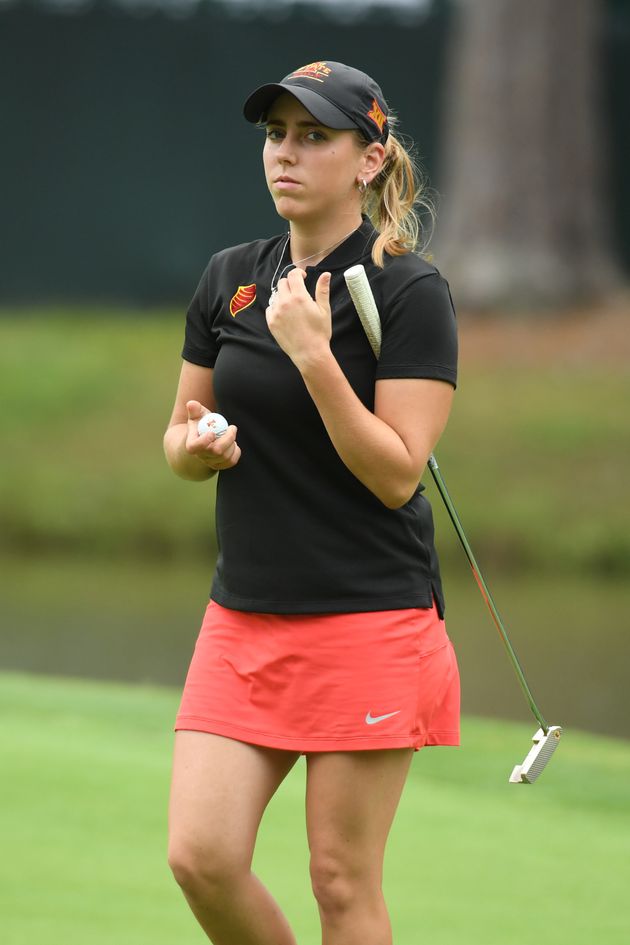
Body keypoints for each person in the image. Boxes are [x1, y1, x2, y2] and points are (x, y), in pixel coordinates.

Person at [163, 60, 460, 945]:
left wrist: (315, 357)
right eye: (276, 136)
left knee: (339, 880)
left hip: (368, 617)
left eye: (314, 136)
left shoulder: (410, 290)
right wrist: (198, 449)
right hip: (244, 616)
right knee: (201, 856)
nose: (286, 154)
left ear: (369, 160)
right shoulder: (230, 278)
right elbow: (176, 440)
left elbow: (399, 471)